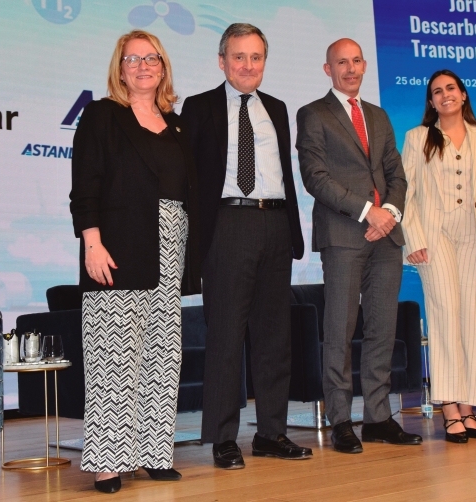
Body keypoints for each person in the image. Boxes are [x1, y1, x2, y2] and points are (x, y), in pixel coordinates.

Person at [69, 30, 201, 493]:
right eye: (133, 59)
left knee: (162, 354)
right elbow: (84, 184)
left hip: (172, 242)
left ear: (163, 67)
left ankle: (152, 453)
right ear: (119, 67)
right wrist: (92, 242)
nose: (143, 66)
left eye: (152, 58)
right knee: (114, 355)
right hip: (119, 244)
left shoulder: (178, 125)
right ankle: (108, 461)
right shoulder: (102, 115)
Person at [180, 23, 311, 469]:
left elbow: (285, 175)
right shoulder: (198, 108)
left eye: (256, 57)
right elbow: (187, 178)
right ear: (222, 61)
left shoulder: (276, 106)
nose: (248, 65)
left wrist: (292, 230)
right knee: (226, 336)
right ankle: (221, 438)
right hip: (228, 225)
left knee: (275, 337)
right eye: (239, 57)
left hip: (274, 222)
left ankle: (272, 433)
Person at [296, 38, 421, 454]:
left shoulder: (379, 116)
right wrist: (369, 212)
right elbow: (315, 177)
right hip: (344, 235)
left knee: (382, 330)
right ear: (327, 69)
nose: (349, 69)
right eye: (340, 63)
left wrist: (390, 214)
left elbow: (397, 176)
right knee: (339, 330)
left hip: (387, 237)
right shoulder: (313, 114)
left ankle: (379, 418)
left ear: (365, 65)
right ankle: (342, 420)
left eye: (355, 61)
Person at [401, 69, 476, 443]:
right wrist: (412, 237)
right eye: (436, 91)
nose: (445, 95)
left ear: (463, 95)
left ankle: (468, 406)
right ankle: (449, 407)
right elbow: (407, 193)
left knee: (472, 319)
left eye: (451, 88)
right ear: (430, 102)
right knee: (445, 315)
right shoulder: (417, 138)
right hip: (435, 237)